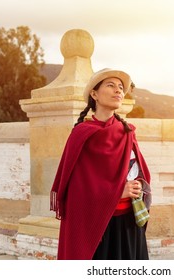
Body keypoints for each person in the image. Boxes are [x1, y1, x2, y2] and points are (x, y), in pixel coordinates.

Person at [50, 68, 151, 260]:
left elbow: (137, 169)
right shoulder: (82, 135)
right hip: (97, 227)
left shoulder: (127, 131)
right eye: (111, 85)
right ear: (94, 94)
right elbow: (76, 190)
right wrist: (116, 192)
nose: (118, 91)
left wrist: (138, 183)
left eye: (121, 88)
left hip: (128, 222)